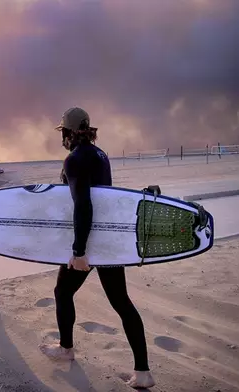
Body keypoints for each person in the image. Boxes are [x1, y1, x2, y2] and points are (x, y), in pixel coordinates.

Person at [39, 107, 155, 389]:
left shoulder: (75, 159)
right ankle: (143, 373)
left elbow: (83, 205)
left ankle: (66, 349)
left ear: (68, 131)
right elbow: (103, 199)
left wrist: (79, 251)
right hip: (109, 241)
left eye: (62, 132)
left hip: (92, 242)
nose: (62, 138)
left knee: (62, 291)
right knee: (122, 303)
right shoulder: (99, 154)